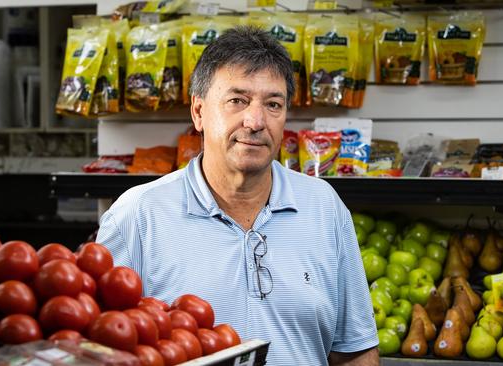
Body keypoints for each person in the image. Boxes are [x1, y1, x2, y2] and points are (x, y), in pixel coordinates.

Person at [97, 26, 379, 365]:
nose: (256, 121)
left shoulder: (324, 207)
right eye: (237, 101)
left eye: (273, 104)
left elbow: (356, 350)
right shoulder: (138, 215)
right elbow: (103, 350)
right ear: (199, 112)